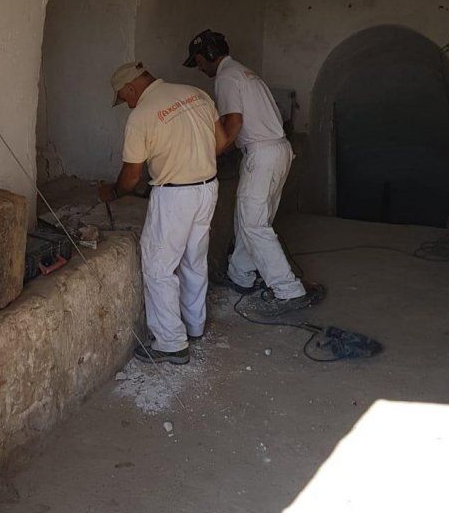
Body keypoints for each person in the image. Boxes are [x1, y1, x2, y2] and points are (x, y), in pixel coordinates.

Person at [183, 29, 321, 315]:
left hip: (262, 154)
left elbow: (232, 124)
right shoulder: (243, 72)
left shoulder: (226, 77)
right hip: (277, 149)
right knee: (249, 218)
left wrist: (209, 156)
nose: (198, 67)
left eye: (197, 60)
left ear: (207, 55)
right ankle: (240, 275)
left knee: (254, 224)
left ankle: (288, 289)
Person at [99, 61, 227, 365]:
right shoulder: (195, 93)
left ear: (130, 87)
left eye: (124, 97)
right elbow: (220, 143)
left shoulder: (141, 115)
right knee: (194, 259)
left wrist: (114, 192)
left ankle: (171, 343)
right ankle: (195, 325)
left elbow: (131, 177)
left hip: (174, 196)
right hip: (207, 187)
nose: (127, 103)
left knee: (158, 267)